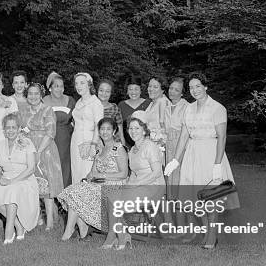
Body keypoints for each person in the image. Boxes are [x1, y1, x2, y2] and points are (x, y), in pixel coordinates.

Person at [164, 72, 240, 249]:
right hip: (192, 153)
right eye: (191, 87)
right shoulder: (188, 108)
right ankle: (207, 233)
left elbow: (222, 137)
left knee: (211, 197)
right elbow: (184, 135)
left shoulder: (217, 108)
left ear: (205, 86)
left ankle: (212, 237)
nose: (194, 90)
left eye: (198, 86)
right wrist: (175, 160)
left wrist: (217, 164)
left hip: (211, 153)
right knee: (198, 198)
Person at [103, 111, 166, 250]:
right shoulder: (132, 151)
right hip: (138, 186)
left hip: (153, 187)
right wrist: (127, 186)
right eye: (130, 128)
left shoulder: (150, 147)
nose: (133, 131)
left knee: (117, 202)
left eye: (137, 128)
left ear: (144, 130)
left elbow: (156, 173)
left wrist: (136, 184)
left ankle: (118, 237)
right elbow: (133, 175)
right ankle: (117, 236)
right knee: (112, 196)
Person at [58, 118, 128, 240]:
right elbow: (93, 172)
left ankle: (69, 231)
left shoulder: (119, 149)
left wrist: (102, 176)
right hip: (99, 183)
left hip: (115, 185)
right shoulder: (100, 149)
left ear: (114, 131)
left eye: (108, 129)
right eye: (102, 129)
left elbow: (123, 174)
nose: (105, 132)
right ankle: (81, 227)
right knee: (72, 191)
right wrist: (89, 178)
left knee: (77, 194)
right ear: (99, 131)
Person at [0, 113, 40, 244]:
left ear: (19, 128)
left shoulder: (27, 143)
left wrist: (12, 181)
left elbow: (31, 168)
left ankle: (8, 233)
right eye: (7, 128)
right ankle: (19, 227)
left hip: (25, 180)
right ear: (4, 130)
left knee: (12, 192)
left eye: (13, 127)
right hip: (7, 179)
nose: (10, 130)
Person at [19, 83, 65, 230]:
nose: (33, 96)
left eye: (36, 93)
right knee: (32, 185)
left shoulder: (47, 110)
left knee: (47, 186)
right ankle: (36, 218)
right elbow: (21, 130)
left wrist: (38, 151)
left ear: (41, 95)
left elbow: (50, 133)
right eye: (30, 93)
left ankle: (50, 222)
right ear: (27, 95)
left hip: (45, 149)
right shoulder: (23, 111)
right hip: (28, 148)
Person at [164, 77, 190, 238]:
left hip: (181, 148)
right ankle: (170, 222)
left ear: (182, 93)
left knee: (179, 182)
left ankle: (182, 224)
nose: (172, 92)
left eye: (176, 90)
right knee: (169, 182)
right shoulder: (166, 106)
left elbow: (186, 131)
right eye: (171, 88)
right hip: (168, 147)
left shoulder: (187, 107)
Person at [43, 72, 75, 188]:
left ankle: (65, 197)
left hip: (66, 139)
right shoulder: (43, 101)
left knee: (65, 167)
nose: (59, 89)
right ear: (50, 88)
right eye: (56, 86)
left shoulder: (70, 100)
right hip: (49, 139)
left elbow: (76, 121)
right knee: (51, 167)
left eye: (62, 86)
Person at [70, 72, 103, 184]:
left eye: (82, 83)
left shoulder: (95, 103)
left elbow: (99, 125)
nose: (78, 86)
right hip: (75, 141)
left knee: (87, 172)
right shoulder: (78, 102)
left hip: (89, 141)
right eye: (76, 83)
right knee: (77, 171)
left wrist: (93, 145)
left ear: (89, 84)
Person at [117, 74, 150, 148]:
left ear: (141, 90)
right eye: (130, 89)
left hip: (145, 145)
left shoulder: (148, 104)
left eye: (136, 89)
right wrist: (123, 145)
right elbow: (120, 128)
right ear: (127, 91)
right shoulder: (121, 105)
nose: (133, 92)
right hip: (127, 145)